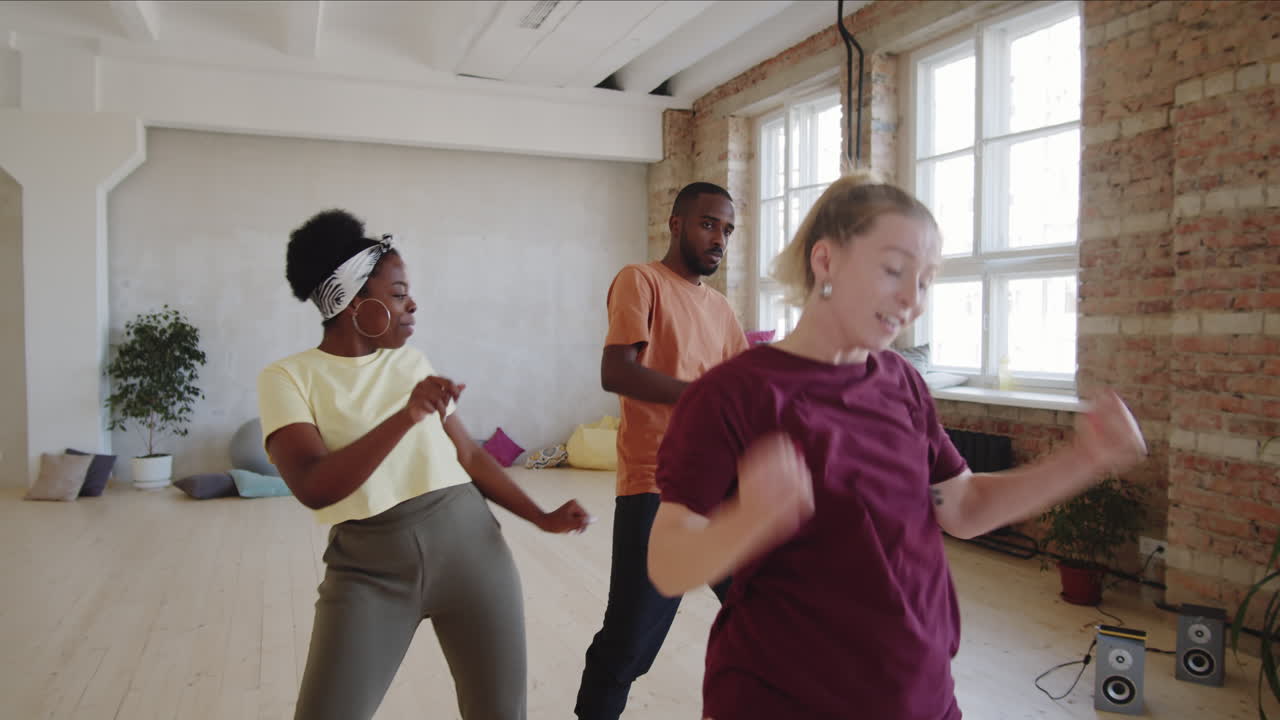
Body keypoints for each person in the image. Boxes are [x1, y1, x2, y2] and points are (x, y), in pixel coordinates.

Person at [646, 173, 1149, 720]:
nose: (912, 300)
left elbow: (961, 506)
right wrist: (749, 518)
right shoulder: (733, 393)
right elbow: (668, 562)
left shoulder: (900, 381)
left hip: (921, 697)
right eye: (893, 270)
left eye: (926, 280)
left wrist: (1086, 459)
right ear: (826, 261)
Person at [258, 209, 590, 720]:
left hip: (474, 554)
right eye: (397, 294)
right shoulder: (288, 378)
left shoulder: (412, 363)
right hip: (367, 574)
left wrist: (541, 517)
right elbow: (311, 484)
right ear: (351, 303)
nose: (412, 304)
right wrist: (405, 414)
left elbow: (471, 455)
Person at [575, 182, 750, 719]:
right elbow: (616, 371)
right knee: (629, 643)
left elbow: (744, 389)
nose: (718, 238)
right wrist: (702, 396)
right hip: (658, 487)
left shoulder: (719, 308)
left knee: (766, 615)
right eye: (707, 224)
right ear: (675, 225)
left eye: (727, 229)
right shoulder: (641, 280)